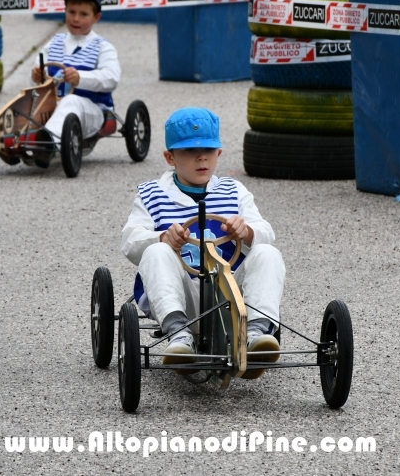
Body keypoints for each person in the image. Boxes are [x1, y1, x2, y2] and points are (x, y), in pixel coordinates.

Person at [121, 107, 285, 379]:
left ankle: (254, 333)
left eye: (209, 150)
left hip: (230, 295)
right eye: (188, 151)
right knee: (157, 251)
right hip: (180, 294)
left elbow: (266, 231)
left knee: (267, 252)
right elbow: (130, 240)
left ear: (218, 154)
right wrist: (162, 237)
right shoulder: (152, 194)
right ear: (169, 157)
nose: (201, 157)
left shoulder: (233, 191)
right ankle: (178, 334)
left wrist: (246, 231)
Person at [30, 0, 121, 165]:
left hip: (93, 111)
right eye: (71, 12)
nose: (76, 19)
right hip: (54, 106)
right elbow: (39, 79)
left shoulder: (102, 47)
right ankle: (10, 139)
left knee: (70, 101)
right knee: (28, 102)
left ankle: (49, 144)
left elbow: (111, 78)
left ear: (96, 17)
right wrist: (37, 75)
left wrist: (80, 78)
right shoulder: (54, 43)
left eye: (83, 14)